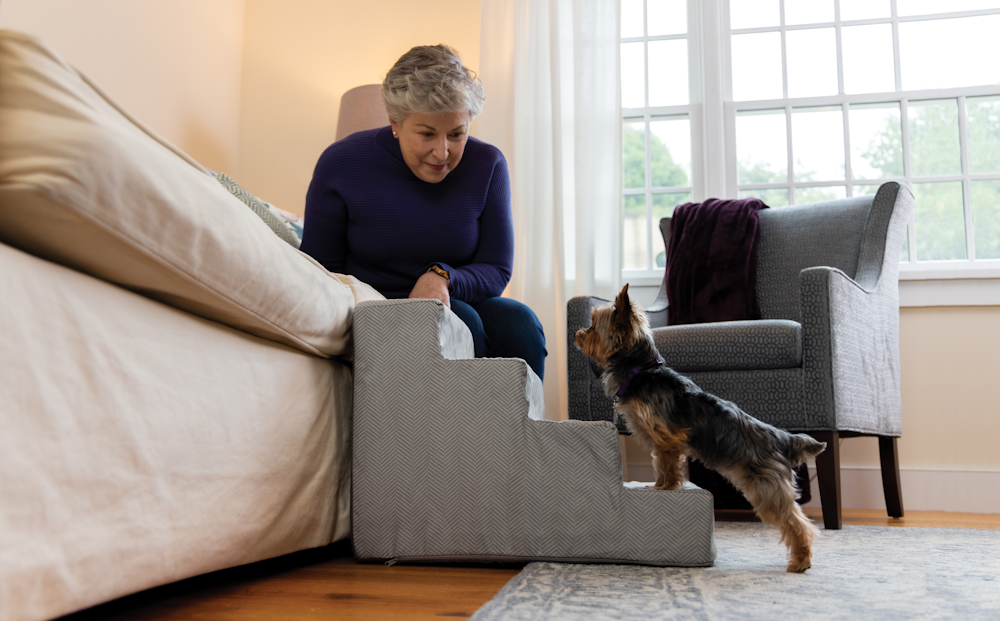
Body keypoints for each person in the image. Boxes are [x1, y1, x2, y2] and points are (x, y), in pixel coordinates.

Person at [300, 45, 547, 380]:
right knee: (461, 320)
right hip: (374, 304)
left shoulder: (488, 164)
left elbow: (497, 268)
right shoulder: (342, 163)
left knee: (519, 322)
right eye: (427, 134)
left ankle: (516, 431)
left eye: (457, 134)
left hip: (454, 294)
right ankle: (456, 431)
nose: (442, 152)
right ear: (396, 123)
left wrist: (441, 276)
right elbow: (320, 270)